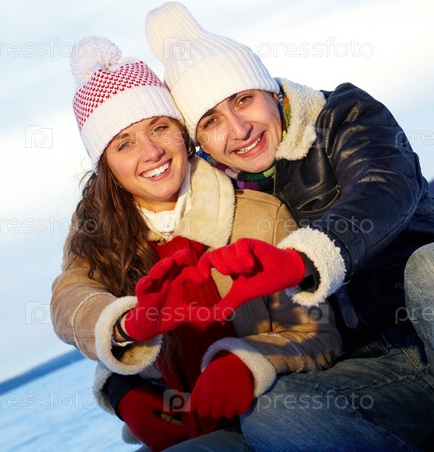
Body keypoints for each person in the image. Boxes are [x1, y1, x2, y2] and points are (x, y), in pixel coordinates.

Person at [144, 2, 434, 451]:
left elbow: (383, 187)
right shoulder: (224, 205)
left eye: (244, 100)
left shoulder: (343, 115)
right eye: (211, 121)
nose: (239, 129)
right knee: (272, 413)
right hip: (377, 376)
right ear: (200, 142)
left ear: (272, 92)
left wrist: (299, 260)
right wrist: (125, 381)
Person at [50, 36, 341, 451]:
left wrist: (248, 361)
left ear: (183, 134)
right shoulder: (100, 235)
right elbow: (69, 300)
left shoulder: (257, 215)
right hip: (182, 424)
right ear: (107, 166)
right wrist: (126, 363)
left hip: (269, 414)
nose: (151, 152)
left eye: (160, 128)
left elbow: (319, 336)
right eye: (124, 143)